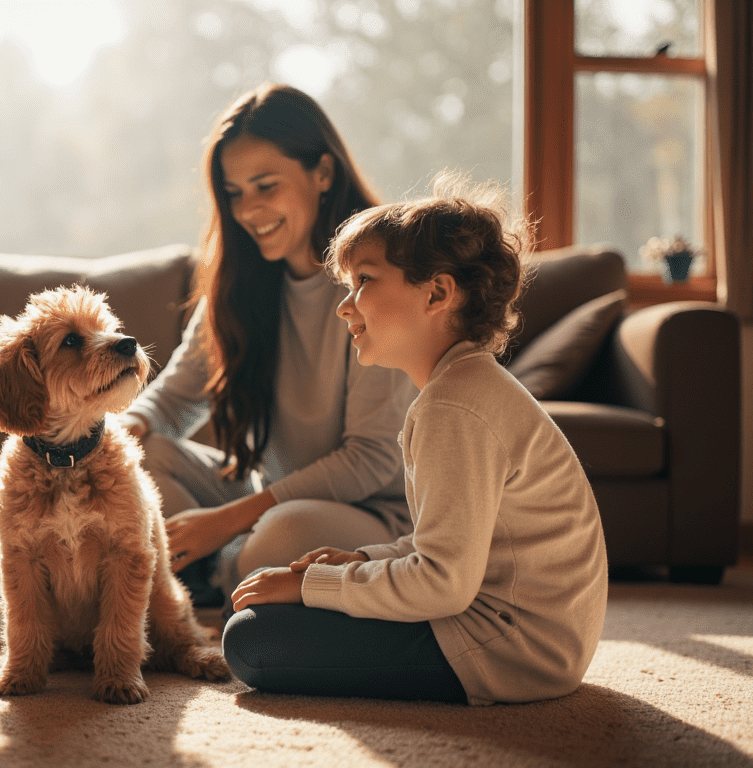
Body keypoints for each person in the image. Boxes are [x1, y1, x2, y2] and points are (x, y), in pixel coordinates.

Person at [223, 177, 609, 705]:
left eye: (363, 281)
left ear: (437, 293)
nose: (345, 306)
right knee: (274, 614)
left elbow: (444, 583)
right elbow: (446, 546)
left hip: (510, 648)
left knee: (251, 640)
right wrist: (359, 559)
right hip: (532, 639)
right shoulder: (460, 389)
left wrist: (313, 587)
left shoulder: (455, 408)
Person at [123, 83, 416, 605]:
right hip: (269, 499)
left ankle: (212, 571)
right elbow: (173, 399)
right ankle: (221, 571)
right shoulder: (243, 283)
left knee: (277, 538)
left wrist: (227, 521)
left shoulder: (380, 279)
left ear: (322, 174)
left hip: (372, 511)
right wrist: (121, 432)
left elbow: (371, 461)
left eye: (265, 185)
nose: (248, 210)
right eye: (234, 193)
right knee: (134, 454)